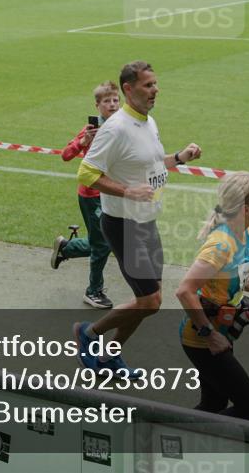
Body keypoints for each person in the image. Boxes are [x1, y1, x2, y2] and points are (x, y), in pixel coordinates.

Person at [73, 61, 201, 375]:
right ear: (128, 89)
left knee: (147, 301)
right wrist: (127, 192)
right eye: (147, 85)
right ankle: (88, 335)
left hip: (145, 222)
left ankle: (108, 358)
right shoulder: (115, 129)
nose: (155, 90)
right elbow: (86, 173)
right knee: (150, 302)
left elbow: (153, 165)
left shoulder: (148, 122)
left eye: (155, 84)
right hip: (124, 224)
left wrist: (180, 158)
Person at [175, 172, 249, 420]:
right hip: (203, 339)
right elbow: (185, 291)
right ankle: (169, 436)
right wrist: (210, 336)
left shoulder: (245, 234)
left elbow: (234, 277)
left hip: (221, 332)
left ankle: (180, 442)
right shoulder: (221, 245)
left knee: (214, 403)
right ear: (245, 208)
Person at [51, 81, 120, 309]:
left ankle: (67, 248)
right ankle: (93, 291)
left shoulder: (121, 126)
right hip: (92, 195)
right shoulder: (91, 129)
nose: (112, 104)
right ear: (97, 105)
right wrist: (84, 141)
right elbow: (66, 155)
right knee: (102, 244)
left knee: (103, 241)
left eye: (115, 100)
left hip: (112, 192)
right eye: (107, 101)